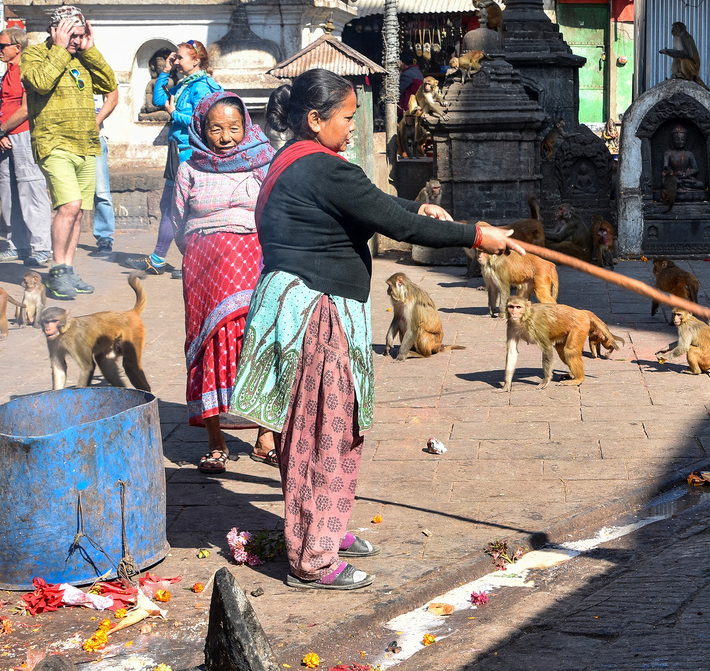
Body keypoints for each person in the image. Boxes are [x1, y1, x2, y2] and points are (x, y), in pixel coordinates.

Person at [232, 69, 521, 591]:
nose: (351, 127)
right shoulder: (322, 168)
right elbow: (396, 223)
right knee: (323, 431)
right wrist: (477, 236)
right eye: (345, 118)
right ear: (315, 119)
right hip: (315, 314)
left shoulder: (294, 159)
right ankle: (312, 557)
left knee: (321, 426)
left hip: (300, 305)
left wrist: (419, 206)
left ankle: (324, 525)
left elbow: (378, 209)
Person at [172, 92, 277, 473]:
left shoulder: (263, 165)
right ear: (202, 129)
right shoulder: (189, 170)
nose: (226, 136)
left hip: (255, 268)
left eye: (234, 127)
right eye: (216, 128)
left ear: (246, 126)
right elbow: (179, 223)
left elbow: (276, 213)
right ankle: (216, 442)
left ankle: (265, 440)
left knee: (258, 343)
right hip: (204, 273)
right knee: (210, 348)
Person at [21, 5, 116, 299]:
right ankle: (56, 271)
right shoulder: (34, 55)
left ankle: (68, 268)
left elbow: (108, 84)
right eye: (71, 35)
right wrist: (60, 49)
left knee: (78, 212)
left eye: (80, 35)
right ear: (56, 32)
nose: (76, 41)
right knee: (69, 205)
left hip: (85, 143)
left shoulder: (82, 57)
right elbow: (39, 82)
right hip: (54, 142)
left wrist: (90, 49)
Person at [141, 41, 219, 275]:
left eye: (180, 58)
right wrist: (165, 71)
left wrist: (174, 113)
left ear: (196, 61)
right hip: (177, 151)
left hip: (189, 153)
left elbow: (201, 121)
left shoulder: (202, 88)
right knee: (170, 205)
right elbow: (158, 99)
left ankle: (192, 259)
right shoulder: (186, 84)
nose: (176, 62)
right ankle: (162, 258)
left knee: (182, 208)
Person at [0, 29, 53, 265]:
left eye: (2, 45)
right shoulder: (8, 72)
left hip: (23, 134)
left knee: (31, 191)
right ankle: (17, 244)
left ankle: (41, 247)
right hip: (6, 135)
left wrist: (2, 130)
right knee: (8, 192)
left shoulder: (26, 70)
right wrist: (0, 133)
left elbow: (26, 108)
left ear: (17, 47)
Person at [91, 76, 119, 256]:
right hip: (68, 139)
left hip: (95, 137)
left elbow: (113, 97)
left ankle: (104, 235)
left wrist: (95, 121)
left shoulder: (96, 68)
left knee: (101, 190)